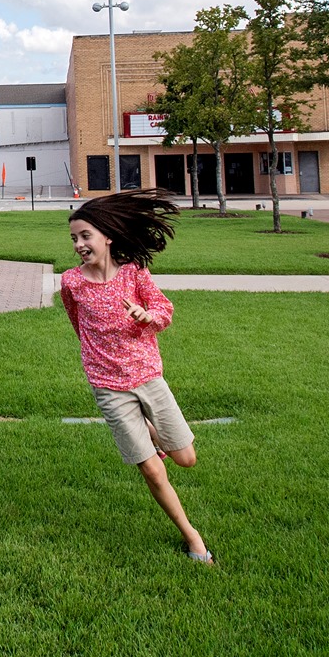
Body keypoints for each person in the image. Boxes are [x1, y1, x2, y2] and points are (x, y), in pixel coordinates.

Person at [62, 191, 212, 563]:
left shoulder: (133, 273)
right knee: (151, 467)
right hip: (108, 385)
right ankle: (193, 538)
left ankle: (150, 427)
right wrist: (96, 360)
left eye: (85, 236)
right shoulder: (71, 282)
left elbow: (164, 309)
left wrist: (148, 317)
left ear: (107, 236)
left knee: (186, 459)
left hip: (147, 376)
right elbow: (78, 324)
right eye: (74, 238)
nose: (80, 244)